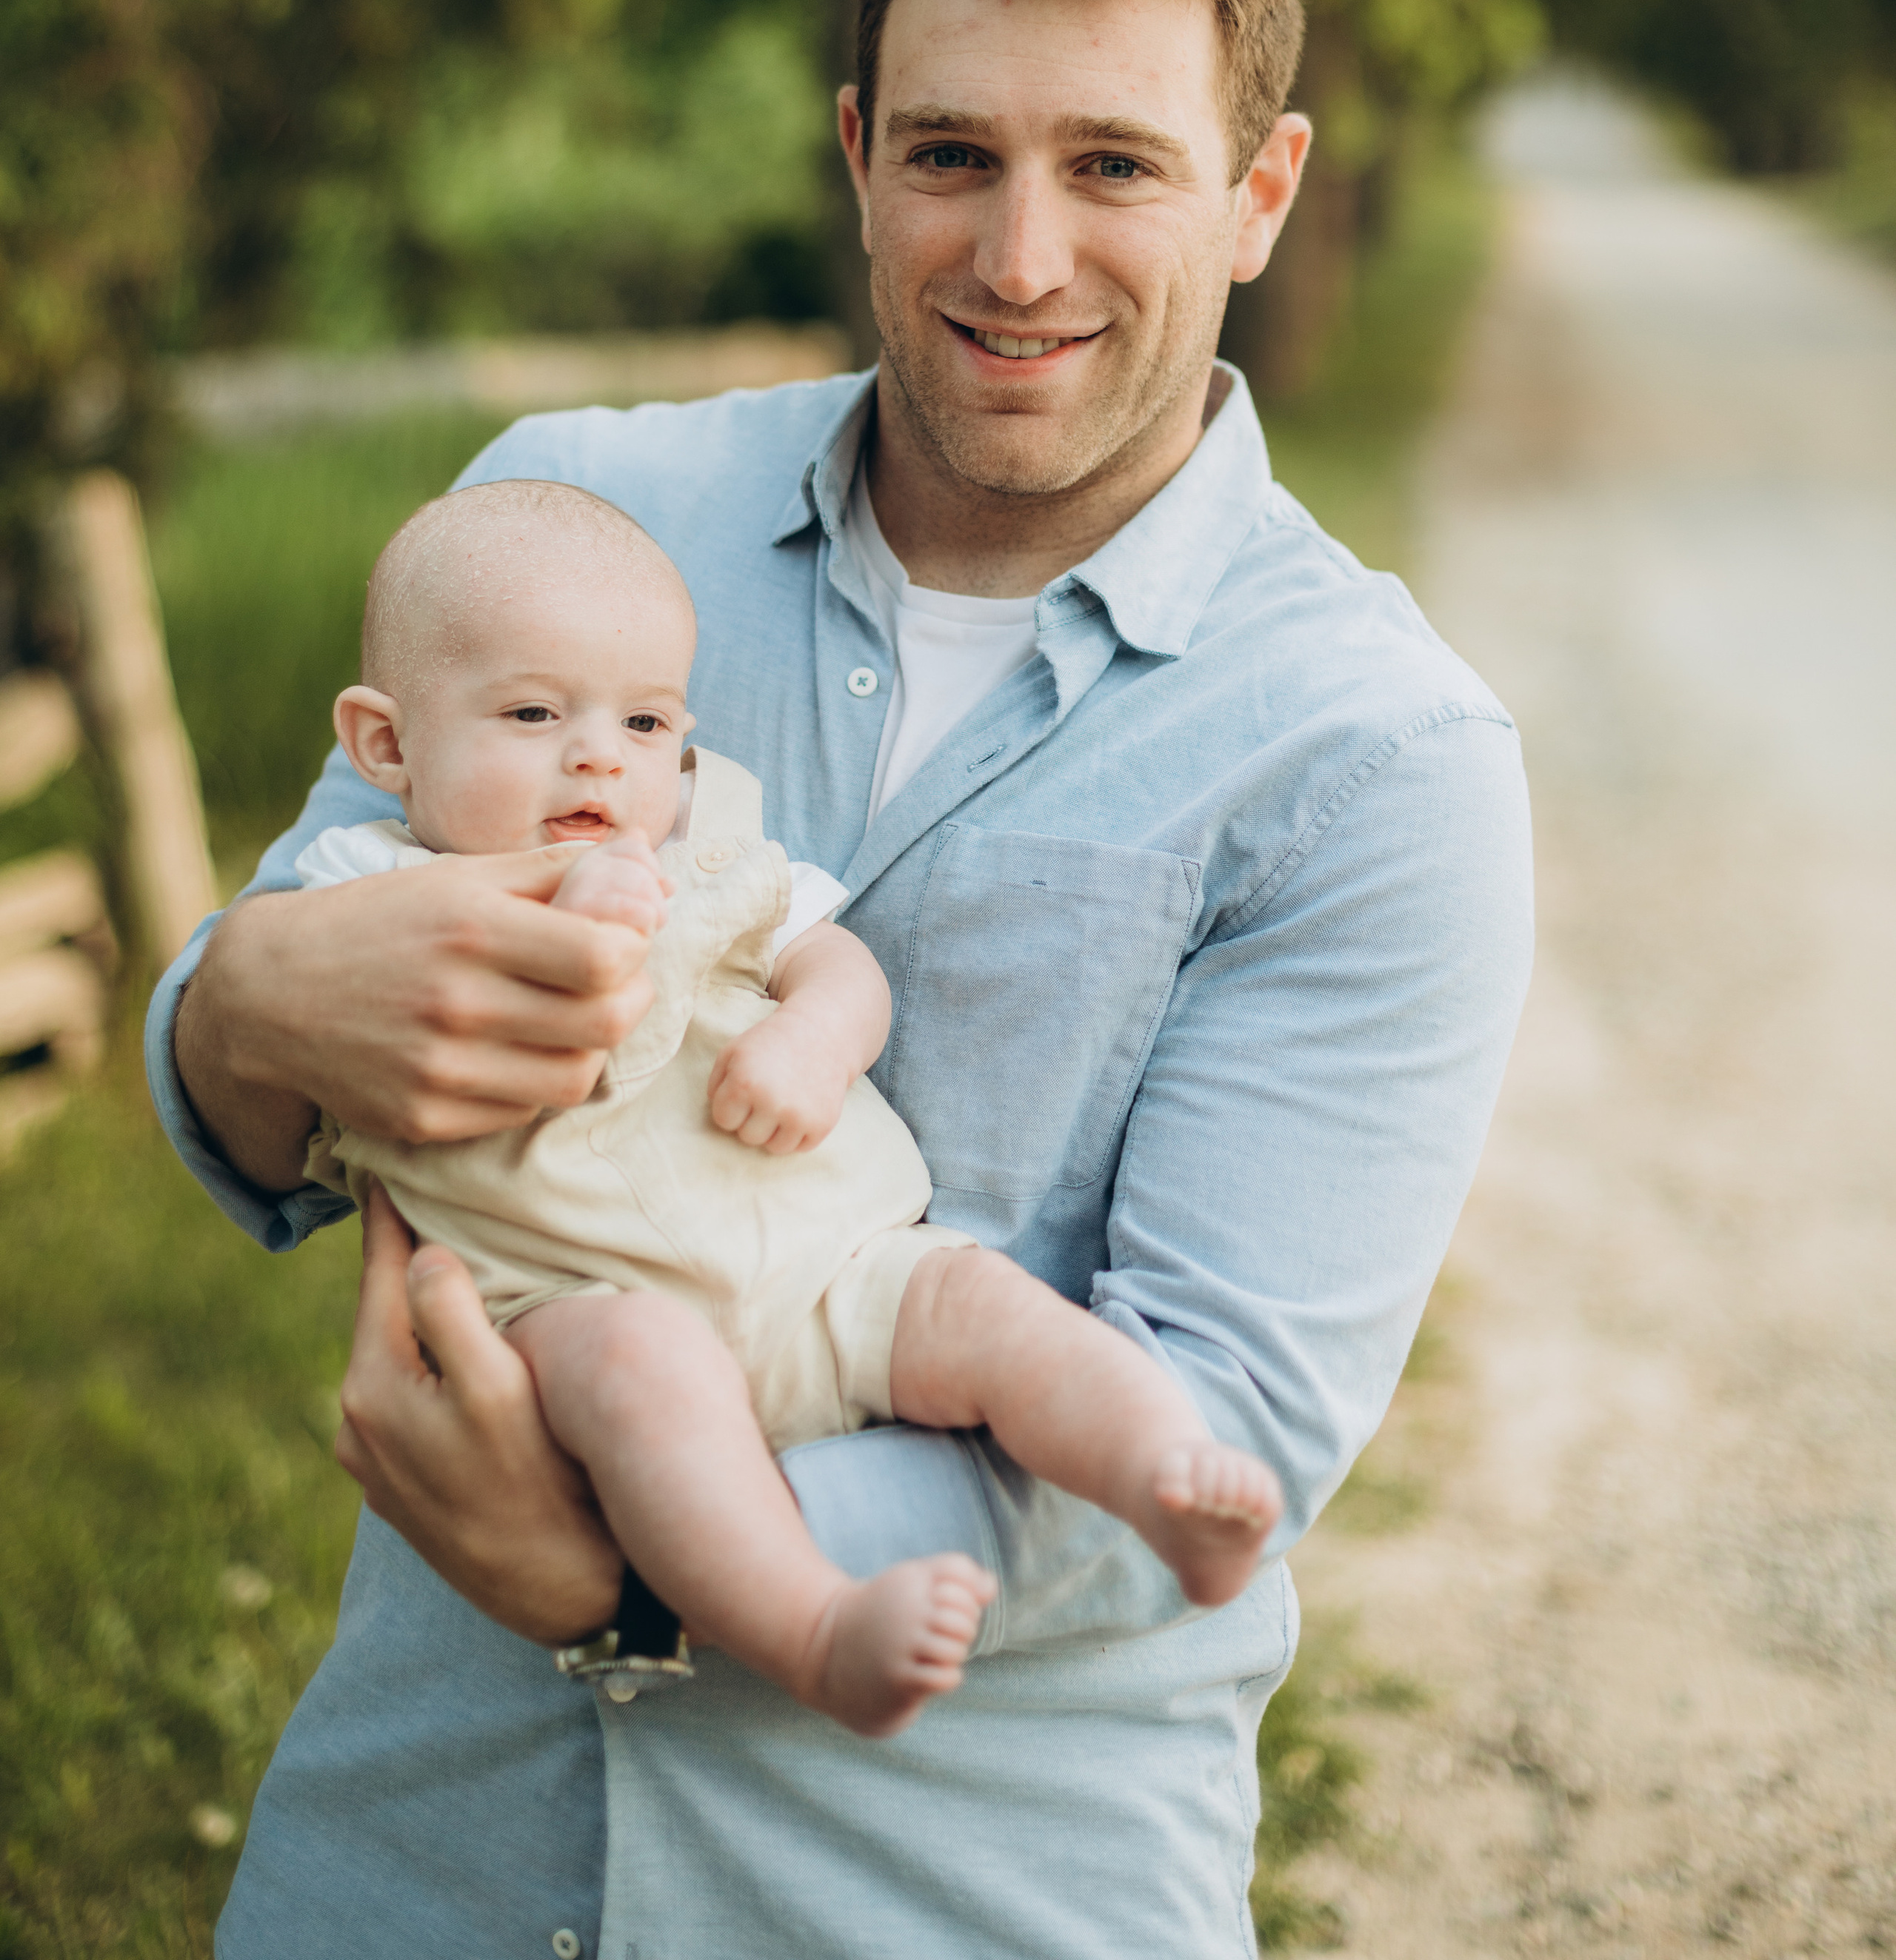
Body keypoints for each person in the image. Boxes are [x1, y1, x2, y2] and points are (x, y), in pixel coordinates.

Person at [150, 0, 1534, 1960]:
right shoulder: (569, 513)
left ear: (1262, 192)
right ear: (858, 148)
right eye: (954, 154)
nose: (1018, 258)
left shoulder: (1377, 761)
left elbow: (1228, 1432)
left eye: (1118, 166)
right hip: (418, 1864)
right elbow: (278, 1047)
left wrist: (623, 1558)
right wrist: (235, 1005)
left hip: (947, 1890)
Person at [296, 475, 1282, 1736]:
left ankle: (1161, 1478)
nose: (601, 755)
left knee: (980, 1305)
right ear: (387, 746)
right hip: (575, 1307)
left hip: (835, 1272)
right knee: (652, 1385)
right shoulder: (362, 887)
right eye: (535, 712)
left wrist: (817, 1042)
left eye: (647, 724)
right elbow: (334, 1038)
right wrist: (563, 930)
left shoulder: (713, 849)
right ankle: (820, 1631)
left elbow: (837, 963)